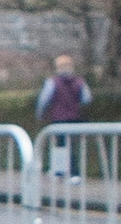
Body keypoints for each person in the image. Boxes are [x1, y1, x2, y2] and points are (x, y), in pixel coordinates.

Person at [36, 51, 91, 181]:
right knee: (72, 146)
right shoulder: (80, 82)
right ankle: (72, 173)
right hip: (74, 117)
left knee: (60, 145)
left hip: (59, 118)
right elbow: (87, 99)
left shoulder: (53, 82)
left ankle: (63, 172)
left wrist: (40, 114)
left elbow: (44, 100)